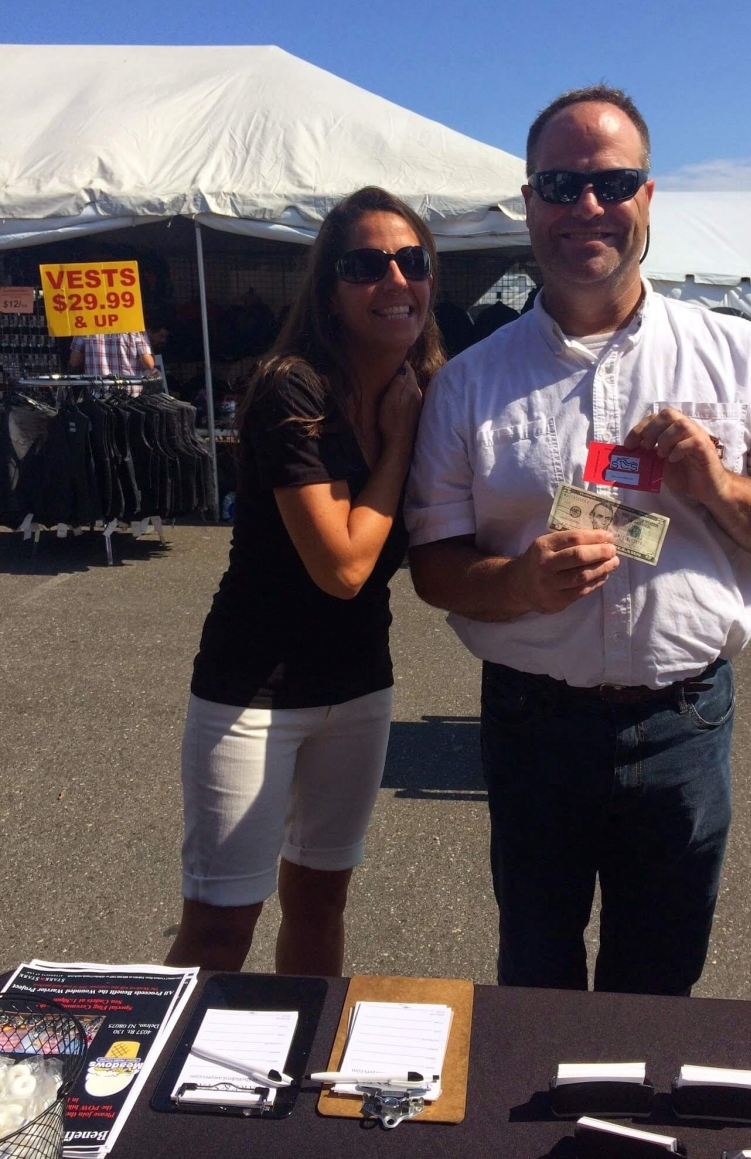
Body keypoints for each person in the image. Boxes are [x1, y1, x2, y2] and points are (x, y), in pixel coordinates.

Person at [406, 85, 751, 996]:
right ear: (529, 201)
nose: (586, 207)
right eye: (560, 185)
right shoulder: (469, 384)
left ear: (649, 196)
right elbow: (436, 568)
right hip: (533, 723)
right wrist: (519, 583)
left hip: (683, 721)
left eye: (613, 182)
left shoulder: (741, 356)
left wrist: (716, 486)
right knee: (536, 973)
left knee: (659, 986)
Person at [165, 186, 443, 975]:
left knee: (322, 907)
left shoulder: (428, 387)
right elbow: (345, 567)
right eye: (366, 266)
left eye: (411, 261)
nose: (395, 281)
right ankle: (158, 1089)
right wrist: (395, 446)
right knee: (221, 928)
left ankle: (293, 1077)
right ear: (328, 288)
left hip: (359, 687)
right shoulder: (293, 389)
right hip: (252, 692)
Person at [68, 330, 157, 381]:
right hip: (130, 391)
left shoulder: (85, 326)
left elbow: (74, 361)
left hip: (98, 392)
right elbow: (149, 364)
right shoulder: (135, 328)